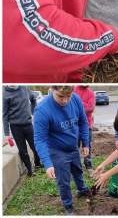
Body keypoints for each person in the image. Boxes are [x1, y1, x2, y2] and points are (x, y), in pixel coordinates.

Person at [34, 86, 91, 215]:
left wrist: (85, 143)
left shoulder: (75, 99)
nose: (65, 100)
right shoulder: (42, 110)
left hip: (73, 146)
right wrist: (48, 163)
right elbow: (40, 140)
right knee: (63, 181)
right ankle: (68, 206)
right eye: (60, 96)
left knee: (78, 170)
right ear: (51, 89)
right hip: (57, 151)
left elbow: (83, 122)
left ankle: (82, 189)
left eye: (68, 96)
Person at [3, 86, 42, 177]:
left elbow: (33, 99)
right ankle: (30, 171)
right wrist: (7, 134)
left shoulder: (24, 88)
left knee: (35, 146)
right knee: (23, 151)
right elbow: (4, 116)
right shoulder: (4, 94)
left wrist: (33, 113)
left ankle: (38, 164)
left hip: (28, 124)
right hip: (15, 127)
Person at [73, 85, 95, 172]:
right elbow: (70, 106)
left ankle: (89, 166)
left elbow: (91, 108)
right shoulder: (73, 89)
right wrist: (84, 104)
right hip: (75, 125)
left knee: (87, 145)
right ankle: (77, 167)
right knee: (75, 146)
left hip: (87, 124)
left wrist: (78, 103)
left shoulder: (90, 92)